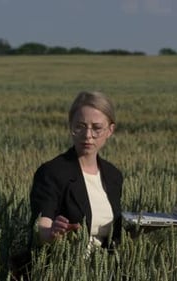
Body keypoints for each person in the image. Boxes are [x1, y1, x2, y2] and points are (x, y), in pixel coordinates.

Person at [29, 91, 123, 249]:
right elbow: (40, 226)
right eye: (80, 127)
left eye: (97, 128)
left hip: (107, 268)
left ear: (110, 130)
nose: (88, 135)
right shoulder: (51, 172)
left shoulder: (113, 175)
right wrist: (51, 233)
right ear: (70, 126)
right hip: (65, 267)